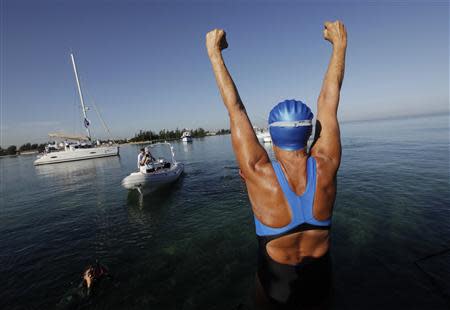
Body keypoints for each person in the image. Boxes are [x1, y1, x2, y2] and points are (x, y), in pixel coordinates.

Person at [206, 20, 347, 309]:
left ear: (272, 132)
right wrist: (339, 45)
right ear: (309, 131)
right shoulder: (327, 163)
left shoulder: (259, 172)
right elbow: (329, 101)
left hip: (275, 285)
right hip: (322, 280)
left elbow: (236, 110)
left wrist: (214, 54)